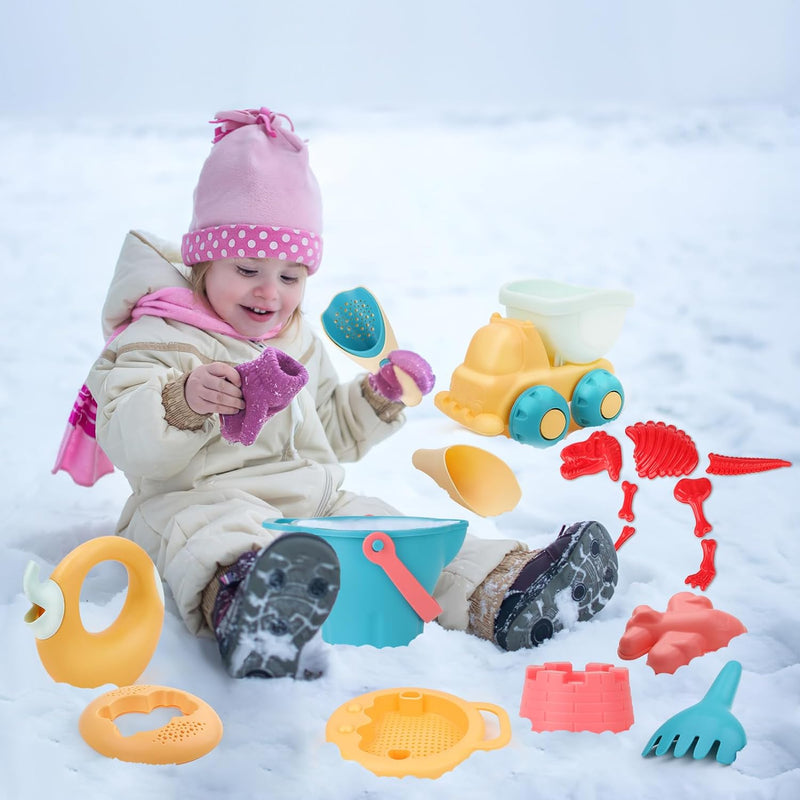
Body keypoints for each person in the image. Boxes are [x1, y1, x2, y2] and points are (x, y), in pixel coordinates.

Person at [77, 107, 618, 680]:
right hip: (195, 497)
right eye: (247, 268)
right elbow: (125, 437)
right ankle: (252, 606)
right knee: (211, 535)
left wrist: (378, 397)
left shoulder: (294, 337)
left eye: (291, 277)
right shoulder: (157, 333)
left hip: (314, 504)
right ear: (203, 260)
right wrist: (182, 400)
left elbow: (328, 431)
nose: (269, 292)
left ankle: (502, 590)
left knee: (391, 535)